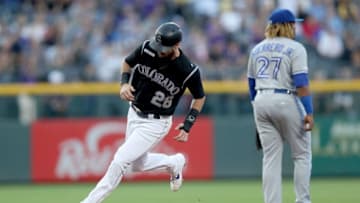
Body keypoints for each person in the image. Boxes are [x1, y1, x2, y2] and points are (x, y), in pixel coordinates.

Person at [80, 22, 206, 203]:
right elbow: (127, 63)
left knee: (120, 160)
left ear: (177, 46)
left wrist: (188, 124)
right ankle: (174, 162)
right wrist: (124, 83)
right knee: (137, 165)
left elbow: (199, 97)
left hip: (156, 122)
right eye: (159, 45)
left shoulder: (188, 70)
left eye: (165, 47)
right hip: (134, 113)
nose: (160, 50)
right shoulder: (148, 48)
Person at [247, 9, 314, 203]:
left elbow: (251, 84)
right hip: (285, 99)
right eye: (293, 24)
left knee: (270, 159)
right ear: (287, 26)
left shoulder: (256, 48)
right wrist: (309, 111)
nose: (295, 27)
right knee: (301, 155)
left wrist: (257, 112)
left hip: (260, 100)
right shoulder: (296, 48)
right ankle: (302, 200)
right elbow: (301, 82)